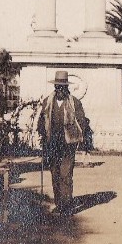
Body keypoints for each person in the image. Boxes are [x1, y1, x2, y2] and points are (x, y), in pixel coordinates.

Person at [37, 70, 88, 215]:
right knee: (55, 173)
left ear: (67, 87)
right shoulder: (47, 102)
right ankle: (59, 204)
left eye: (63, 86)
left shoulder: (74, 103)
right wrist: (42, 133)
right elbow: (42, 120)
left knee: (66, 174)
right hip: (52, 143)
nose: (60, 89)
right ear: (55, 87)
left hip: (68, 144)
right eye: (58, 86)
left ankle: (66, 206)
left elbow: (82, 122)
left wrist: (76, 136)